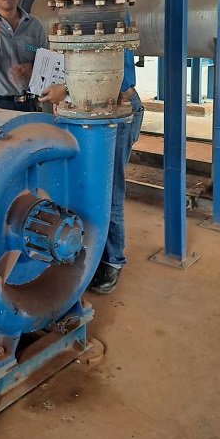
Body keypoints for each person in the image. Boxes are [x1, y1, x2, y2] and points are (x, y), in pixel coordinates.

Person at [39, 48, 144, 294]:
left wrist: (66, 88)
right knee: (83, 185)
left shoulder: (110, 26)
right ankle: (89, 253)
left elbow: (110, 75)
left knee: (109, 187)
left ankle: (112, 261)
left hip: (115, 105)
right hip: (83, 104)